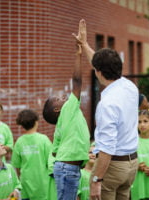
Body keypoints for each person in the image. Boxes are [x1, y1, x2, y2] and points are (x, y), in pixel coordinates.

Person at [73, 19, 139, 200]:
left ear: (98, 72)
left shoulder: (107, 104)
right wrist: (85, 44)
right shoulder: (130, 86)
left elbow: (107, 149)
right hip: (131, 164)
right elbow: (100, 64)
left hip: (112, 167)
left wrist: (96, 180)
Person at [42, 39, 90, 199]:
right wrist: (78, 54)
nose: (63, 96)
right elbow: (77, 81)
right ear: (57, 109)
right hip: (67, 169)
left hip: (67, 168)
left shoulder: (62, 125)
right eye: (58, 99)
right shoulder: (68, 110)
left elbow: (55, 151)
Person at [12, 109, 52, 200]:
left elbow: (17, 166)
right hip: (43, 183)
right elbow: (51, 162)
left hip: (26, 183)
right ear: (36, 122)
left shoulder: (19, 141)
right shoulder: (44, 139)